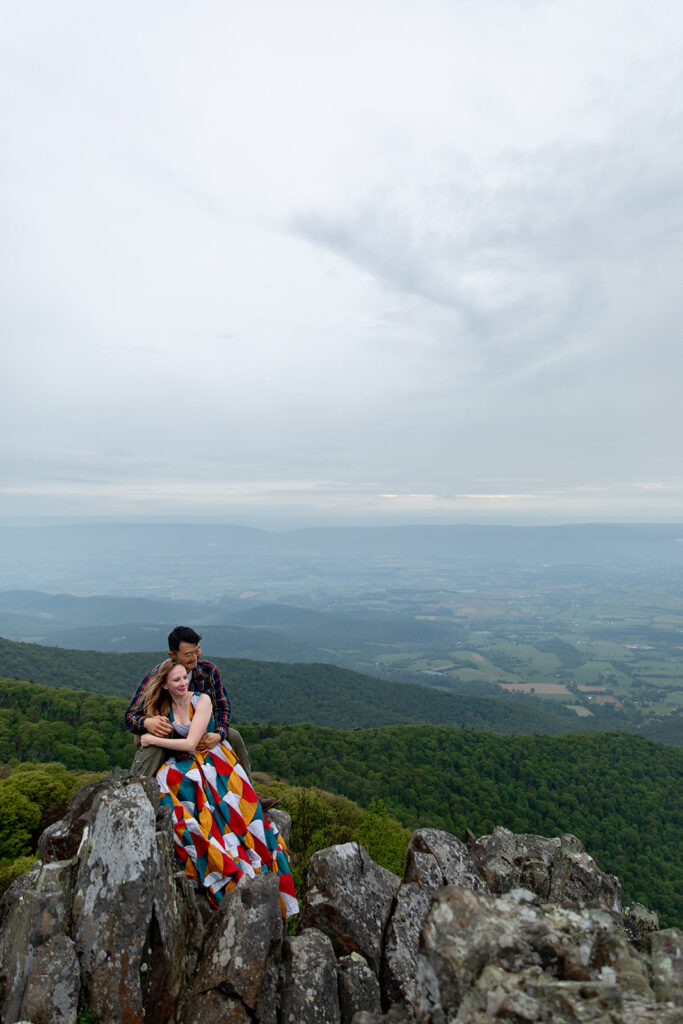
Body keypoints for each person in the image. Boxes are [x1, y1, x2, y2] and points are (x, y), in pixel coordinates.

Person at [136, 657, 298, 919]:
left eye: (184, 678)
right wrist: (146, 726)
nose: (182, 683)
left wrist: (153, 738)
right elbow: (138, 737)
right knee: (168, 778)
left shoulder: (201, 700)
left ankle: (229, 841)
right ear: (164, 685)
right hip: (184, 762)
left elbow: (191, 743)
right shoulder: (162, 706)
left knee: (201, 786)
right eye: (175, 679)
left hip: (213, 759)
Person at [124, 626, 277, 810]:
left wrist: (219, 734)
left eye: (197, 651)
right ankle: (138, 793)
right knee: (159, 733)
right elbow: (130, 715)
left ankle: (248, 793)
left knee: (233, 736)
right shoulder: (159, 675)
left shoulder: (208, 671)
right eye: (188, 654)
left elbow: (223, 707)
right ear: (173, 655)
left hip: (201, 732)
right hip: (172, 731)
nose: (195, 657)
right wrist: (147, 722)